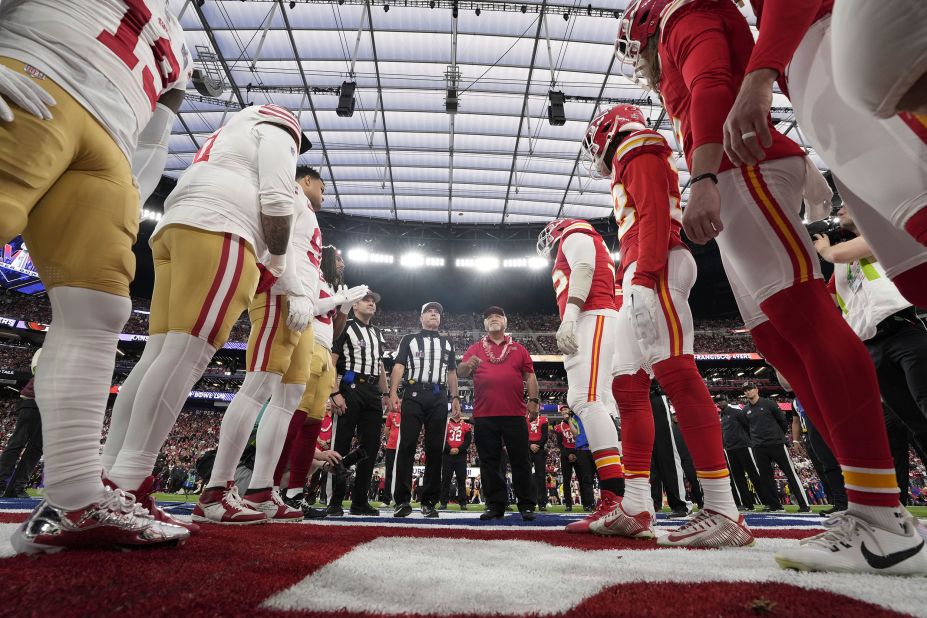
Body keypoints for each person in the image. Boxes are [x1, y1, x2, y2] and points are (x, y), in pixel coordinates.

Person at [619, 0, 925, 575]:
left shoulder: (685, 17)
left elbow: (712, 79)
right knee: (782, 340)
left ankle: (882, 516)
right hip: (743, 161)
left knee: (806, 318)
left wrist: (705, 174)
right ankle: (869, 509)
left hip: (744, 165)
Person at [1, 0, 195, 554]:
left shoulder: (182, 43)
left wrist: (133, 185)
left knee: (100, 309)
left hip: (112, 144)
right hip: (36, 78)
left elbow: (157, 129)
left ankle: (75, 497)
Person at [582, 103, 748, 546]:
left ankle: (722, 506)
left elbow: (655, 211)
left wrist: (644, 272)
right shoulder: (628, 155)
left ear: (609, 129)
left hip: (655, 267)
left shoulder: (637, 146)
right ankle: (636, 504)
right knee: (627, 386)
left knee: (676, 374)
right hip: (642, 268)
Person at [723, 1, 927, 309]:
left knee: (918, 214)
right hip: (814, 60)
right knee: (914, 273)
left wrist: (759, 76)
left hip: (826, 41)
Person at [191, 165, 325, 525]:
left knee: (290, 397)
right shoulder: (292, 193)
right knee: (258, 388)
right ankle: (216, 489)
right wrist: (294, 288)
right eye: (322, 187)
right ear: (308, 180)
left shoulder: (308, 211)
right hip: (282, 296)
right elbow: (275, 239)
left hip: (303, 307)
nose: (324, 195)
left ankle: (262, 490)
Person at [816, 205, 927, 460]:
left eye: (845, 206)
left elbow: (836, 253)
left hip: (903, 331)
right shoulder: (841, 267)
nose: (840, 210)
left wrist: (823, 249)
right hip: (872, 347)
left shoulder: (879, 233)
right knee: (916, 424)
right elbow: (825, 301)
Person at [536, 219, 625, 532]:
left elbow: (585, 267)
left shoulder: (575, 232)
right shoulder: (579, 237)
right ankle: (627, 499)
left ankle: (615, 498)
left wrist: (571, 315)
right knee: (600, 402)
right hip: (600, 314)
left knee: (584, 399)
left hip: (593, 313)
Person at [277, 245, 367, 514]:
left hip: (325, 351)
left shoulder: (332, 286)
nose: (342, 264)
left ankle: (295, 493)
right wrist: (337, 300)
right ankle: (272, 488)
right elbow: (309, 306)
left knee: (312, 424)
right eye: (338, 259)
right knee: (295, 418)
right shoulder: (312, 276)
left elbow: (337, 331)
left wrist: (346, 307)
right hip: (307, 344)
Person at [458, 306, 539, 521]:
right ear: (484, 325)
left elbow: (530, 376)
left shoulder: (519, 349)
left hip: (514, 412)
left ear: (505, 322)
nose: (493, 319)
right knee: (489, 461)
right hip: (484, 414)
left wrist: (533, 400)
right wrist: (468, 365)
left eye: (497, 316)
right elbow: (460, 372)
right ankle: (495, 505)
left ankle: (527, 504)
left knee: (521, 459)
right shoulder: (475, 348)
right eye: (488, 317)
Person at [389, 302, 459, 518]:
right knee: (407, 445)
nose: (434, 314)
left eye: (437, 312)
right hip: (414, 393)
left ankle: (429, 501)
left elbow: (452, 372)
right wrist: (393, 392)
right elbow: (399, 365)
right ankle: (402, 500)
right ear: (421, 318)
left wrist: (455, 397)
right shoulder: (409, 339)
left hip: (438, 396)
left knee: (435, 448)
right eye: (429, 311)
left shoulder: (447, 343)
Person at [327, 290, 388, 517]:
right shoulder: (345, 327)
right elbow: (331, 361)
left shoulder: (378, 333)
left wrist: (386, 393)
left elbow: (380, 365)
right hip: (350, 387)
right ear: (354, 305)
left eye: (373, 301)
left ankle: (360, 501)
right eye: (366, 300)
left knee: (370, 447)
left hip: (372, 391)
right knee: (341, 444)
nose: (371, 303)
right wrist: (334, 392)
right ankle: (335, 500)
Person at [741, 383, 810, 513]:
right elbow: (747, 428)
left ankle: (804, 505)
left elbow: (782, 421)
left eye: (750, 389)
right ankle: (775, 506)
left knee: (790, 473)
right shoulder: (745, 410)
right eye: (745, 390)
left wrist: (777, 436)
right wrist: (756, 441)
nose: (748, 392)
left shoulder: (769, 404)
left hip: (776, 444)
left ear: (756, 389)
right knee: (766, 478)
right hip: (759, 447)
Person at [0, 351, 41, 498]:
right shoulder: (46, 351)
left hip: (50, 407)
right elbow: (39, 370)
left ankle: (18, 486)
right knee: (17, 443)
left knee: (36, 449)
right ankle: (1, 482)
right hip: (33, 401)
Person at [716, 395, 767, 512]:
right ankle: (748, 504)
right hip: (730, 450)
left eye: (722, 400)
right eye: (717, 401)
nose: (720, 403)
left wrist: (749, 442)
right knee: (738, 478)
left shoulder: (736, 412)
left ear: (727, 400)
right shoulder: (721, 416)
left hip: (743, 446)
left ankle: (767, 502)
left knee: (754, 474)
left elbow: (748, 426)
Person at [553, 408, 594, 512]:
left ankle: (586, 503)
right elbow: (559, 443)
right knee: (566, 481)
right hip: (566, 455)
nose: (564, 412)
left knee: (582, 478)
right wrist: (568, 455)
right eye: (562, 411)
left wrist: (576, 453)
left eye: (566, 410)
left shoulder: (576, 420)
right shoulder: (558, 427)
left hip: (579, 452)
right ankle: (568, 504)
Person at [439, 407, 472, 510]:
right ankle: (443, 502)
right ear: (451, 411)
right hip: (447, 455)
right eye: (454, 409)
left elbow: (468, 441)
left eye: (458, 409)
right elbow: (442, 439)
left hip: (460, 456)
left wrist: (458, 449)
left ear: (461, 412)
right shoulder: (445, 425)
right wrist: (450, 449)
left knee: (461, 479)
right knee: (446, 479)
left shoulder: (466, 426)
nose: (456, 411)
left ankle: (463, 503)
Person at [526, 406, 549, 511]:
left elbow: (545, 435)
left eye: (536, 407)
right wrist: (530, 445)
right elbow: (523, 434)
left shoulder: (544, 419)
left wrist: (538, 445)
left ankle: (542, 502)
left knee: (541, 476)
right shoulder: (524, 419)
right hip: (527, 448)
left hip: (539, 449)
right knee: (526, 475)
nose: (534, 409)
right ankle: (527, 501)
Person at [382, 406, 401, 505]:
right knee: (389, 473)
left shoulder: (408, 414)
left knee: (401, 474)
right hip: (391, 448)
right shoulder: (390, 414)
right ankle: (386, 499)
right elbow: (386, 430)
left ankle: (400, 499)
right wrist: (392, 440)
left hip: (402, 449)